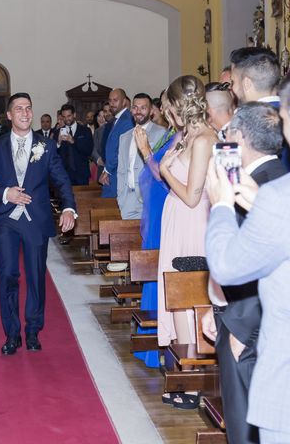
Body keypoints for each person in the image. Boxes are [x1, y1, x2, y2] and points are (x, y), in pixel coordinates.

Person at [204, 74, 290, 444]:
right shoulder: (278, 177)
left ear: (239, 139)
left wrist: (220, 202)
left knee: (242, 425)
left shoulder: (271, 191)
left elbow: (237, 263)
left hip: (252, 328)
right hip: (243, 316)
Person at [0, 92, 76, 355]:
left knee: (35, 276)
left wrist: (68, 207)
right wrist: (5, 192)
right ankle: (11, 333)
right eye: (18, 109)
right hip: (7, 219)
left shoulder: (47, 145)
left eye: (28, 108)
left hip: (35, 219)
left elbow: (61, 179)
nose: (25, 113)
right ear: (9, 115)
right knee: (7, 274)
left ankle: (32, 330)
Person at [156, 76, 222, 350]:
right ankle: (186, 366)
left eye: (169, 107)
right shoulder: (187, 136)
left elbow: (192, 197)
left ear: (177, 105)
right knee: (176, 292)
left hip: (192, 221)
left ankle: (193, 365)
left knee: (187, 291)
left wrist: (165, 172)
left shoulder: (204, 138)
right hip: (177, 220)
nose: (167, 113)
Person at [134, 93, 178, 370]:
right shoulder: (173, 134)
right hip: (159, 213)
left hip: (168, 215)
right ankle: (153, 344)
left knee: (166, 277)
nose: (161, 108)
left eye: (164, 103)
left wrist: (147, 152)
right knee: (155, 275)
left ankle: (168, 343)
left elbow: (162, 174)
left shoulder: (179, 137)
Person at [116, 93, 166, 219]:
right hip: (128, 200)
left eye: (143, 108)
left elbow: (161, 166)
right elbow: (121, 170)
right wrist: (121, 197)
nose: (138, 112)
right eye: (135, 107)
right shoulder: (124, 137)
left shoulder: (160, 133)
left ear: (151, 111)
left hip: (149, 197)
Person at [100, 88, 135, 197]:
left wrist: (107, 170)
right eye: (110, 101)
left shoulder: (126, 121)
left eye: (115, 100)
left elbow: (122, 150)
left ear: (124, 101)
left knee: (111, 210)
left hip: (118, 174)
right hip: (113, 173)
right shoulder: (118, 119)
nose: (112, 104)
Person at [56, 103, 94, 185]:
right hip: (64, 175)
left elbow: (89, 151)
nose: (67, 119)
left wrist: (73, 141)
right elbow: (54, 156)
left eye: (69, 116)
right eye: (64, 116)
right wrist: (58, 143)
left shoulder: (85, 131)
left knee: (83, 198)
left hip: (82, 174)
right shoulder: (57, 133)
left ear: (74, 115)